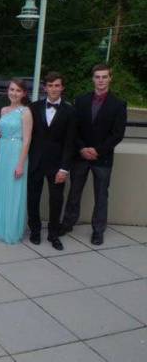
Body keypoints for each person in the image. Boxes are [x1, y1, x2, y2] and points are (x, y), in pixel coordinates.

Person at [61, 64, 127, 245]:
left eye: (104, 77)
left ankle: (98, 230)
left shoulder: (119, 104)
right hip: (80, 156)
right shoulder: (81, 100)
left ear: (110, 78)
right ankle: (67, 223)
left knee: (101, 196)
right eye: (98, 77)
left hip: (102, 158)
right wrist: (82, 148)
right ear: (93, 79)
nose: (101, 80)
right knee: (74, 192)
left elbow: (117, 134)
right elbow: (74, 129)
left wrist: (98, 151)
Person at [26, 72, 76, 250]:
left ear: (62, 88)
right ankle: (35, 231)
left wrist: (65, 168)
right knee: (33, 198)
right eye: (50, 85)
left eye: (57, 85)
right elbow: (26, 136)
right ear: (45, 87)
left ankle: (53, 234)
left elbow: (70, 143)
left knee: (56, 200)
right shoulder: (33, 107)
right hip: (35, 162)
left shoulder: (70, 111)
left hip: (57, 165)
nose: (53, 89)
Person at [0, 80, 33, 244]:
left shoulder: (26, 112)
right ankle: (0, 226)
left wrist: (21, 164)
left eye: (18, 90)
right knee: (1, 188)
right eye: (12, 89)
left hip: (16, 152)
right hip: (3, 153)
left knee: (14, 190)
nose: (14, 93)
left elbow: (27, 140)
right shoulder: (4, 110)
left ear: (23, 93)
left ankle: (11, 229)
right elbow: (1, 131)